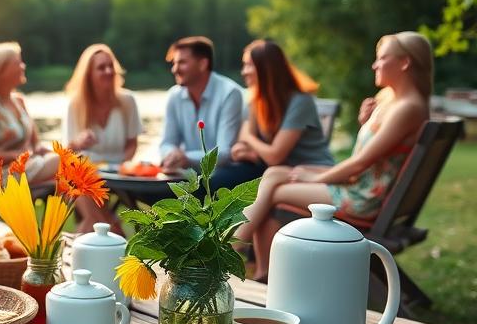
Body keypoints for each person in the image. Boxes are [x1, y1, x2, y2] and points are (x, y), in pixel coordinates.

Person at [236, 31, 432, 280]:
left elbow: (361, 162)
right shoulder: (393, 100)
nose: (375, 64)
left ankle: (235, 255)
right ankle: (251, 263)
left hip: (361, 198)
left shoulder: (407, 107)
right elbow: (372, 153)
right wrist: (366, 121)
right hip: (360, 185)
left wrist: (314, 178)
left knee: (273, 192)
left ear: (404, 63)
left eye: (382, 58)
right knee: (274, 174)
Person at [221, 39, 333, 189]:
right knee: (219, 179)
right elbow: (243, 142)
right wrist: (247, 148)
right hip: (274, 169)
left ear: (265, 69)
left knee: (223, 182)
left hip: (310, 172)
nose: (244, 71)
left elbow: (274, 155)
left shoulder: (300, 102)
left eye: (248, 65)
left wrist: (250, 139)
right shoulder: (256, 99)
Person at [63, 44, 143, 232]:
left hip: (118, 171)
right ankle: (112, 230)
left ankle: (89, 238)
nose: (108, 71)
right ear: (88, 74)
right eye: (101, 67)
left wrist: (124, 165)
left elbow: (132, 143)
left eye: (111, 66)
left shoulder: (127, 101)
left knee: (91, 208)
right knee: (81, 180)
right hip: (86, 173)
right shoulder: (75, 105)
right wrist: (78, 142)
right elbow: (67, 153)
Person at [0, 41, 59, 185]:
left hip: (30, 167)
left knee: (73, 163)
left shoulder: (19, 101)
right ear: (0, 70)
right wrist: (16, 156)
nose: (23, 66)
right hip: (4, 177)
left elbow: (36, 145)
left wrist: (61, 150)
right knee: (64, 164)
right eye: (17, 63)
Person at [159, 36, 243, 178]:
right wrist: (171, 155)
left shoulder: (230, 93)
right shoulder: (174, 95)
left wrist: (186, 158)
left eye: (182, 62)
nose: (175, 69)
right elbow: (166, 143)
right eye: (174, 63)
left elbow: (224, 152)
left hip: (220, 175)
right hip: (184, 173)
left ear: (203, 64)